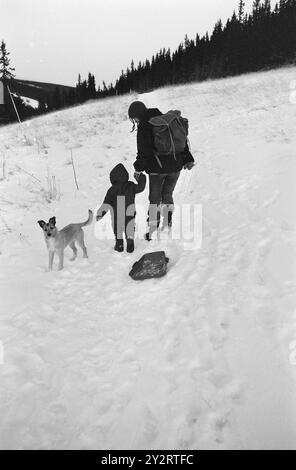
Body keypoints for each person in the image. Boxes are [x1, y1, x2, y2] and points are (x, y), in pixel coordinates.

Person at [128, 101, 195, 240]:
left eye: (134, 118)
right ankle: (168, 222)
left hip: (157, 169)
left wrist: (138, 169)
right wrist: (187, 159)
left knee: (154, 198)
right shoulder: (165, 121)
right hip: (176, 167)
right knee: (167, 194)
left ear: (137, 116)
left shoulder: (145, 126)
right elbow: (182, 142)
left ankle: (153, 228)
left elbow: (144, 152)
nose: (134, 121)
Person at [96, 163, 146, 253]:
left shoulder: (112, 190)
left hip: (117, 214)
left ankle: (119, 244)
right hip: (129, 212)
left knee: (117, 228)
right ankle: (130, 245)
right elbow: (140, 187)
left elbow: (106, 203)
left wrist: (101, 213)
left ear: (113, 177)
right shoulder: (131, 186)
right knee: (129, 227)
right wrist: (141, 177)